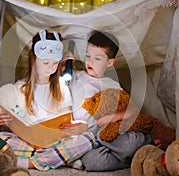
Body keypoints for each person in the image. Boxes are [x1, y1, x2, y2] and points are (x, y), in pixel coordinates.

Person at [0, 29, 96, 171]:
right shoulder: (19, 89)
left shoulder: (62, 88)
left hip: (57, 141)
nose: (51, 68)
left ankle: (30, 163)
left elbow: (67, 121)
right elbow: (15, 124)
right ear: (34, 60)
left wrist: (81, 126)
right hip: (28, 143)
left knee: (89, 138)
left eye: (55, 63)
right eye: (46, 63)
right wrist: (2, 123)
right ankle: (61, 159)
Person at [60, 31, 155, 171]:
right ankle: (131, 159)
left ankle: (147, 143)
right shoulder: (73, 76)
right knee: (92, 162)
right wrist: (62, 65)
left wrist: (114, 117)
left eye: (97, 58)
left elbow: (133, 109)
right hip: (85, 140)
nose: (90, 62)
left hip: (106, 136)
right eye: (87, 56)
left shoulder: (112, 85)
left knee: (130, 143)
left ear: (110, 62)